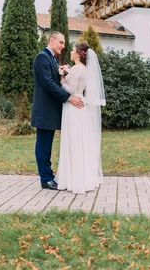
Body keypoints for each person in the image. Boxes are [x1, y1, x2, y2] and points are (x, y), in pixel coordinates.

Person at [31, 32, 84, 190]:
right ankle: (46, 179)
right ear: (52, 40)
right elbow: (47, 83)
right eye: (61, 42)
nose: (63, 46)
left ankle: (49, 176)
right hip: (44, 110)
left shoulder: (52, 59)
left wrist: (63, 73)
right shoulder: (42, 57)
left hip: (50, 111)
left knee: (47, 145)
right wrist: (69, 97)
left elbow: (54, 80)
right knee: (43, 145)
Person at [55, 43, 106, 194]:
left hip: (73, 105)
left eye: (72, 50)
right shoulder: (84, 69)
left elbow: (71, 89)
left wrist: (62, 80)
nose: (70, 51)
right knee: (80, 140)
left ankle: (74, 180)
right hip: (81, 104)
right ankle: (84, 177)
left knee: (73, 140)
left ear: (78, 54)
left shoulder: (76, 69)